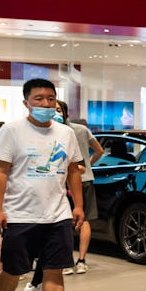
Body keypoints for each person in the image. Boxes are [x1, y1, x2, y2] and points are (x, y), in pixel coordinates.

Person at [0, 78, 88, 291]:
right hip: (20, 214)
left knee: (54, 270)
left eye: (50, 99)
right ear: (26, 103)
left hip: (58, 214)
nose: (45, 103)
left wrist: (77, 205)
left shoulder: (65, 133)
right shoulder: (11, 131)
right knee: (12, 271)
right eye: (38, 99)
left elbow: (73, 171)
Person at [56, 100, 103, 274]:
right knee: (84, 220)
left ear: (65, 113)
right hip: (85, 179)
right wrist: (88, 167)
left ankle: (68, 262)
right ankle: (81, 260)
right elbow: (99, 150)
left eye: (57, 109)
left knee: (66, 222)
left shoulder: (58, 131)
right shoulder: (82, 130)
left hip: (64, 181)